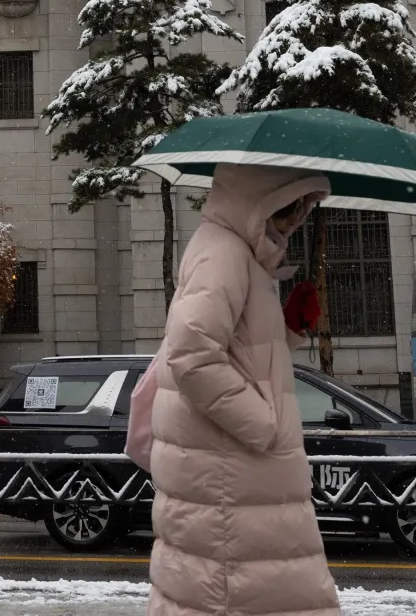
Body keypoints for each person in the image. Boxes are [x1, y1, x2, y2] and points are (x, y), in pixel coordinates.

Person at [146, 164, 339, 616]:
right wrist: (262, 425)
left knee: (256, 588)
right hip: (233, 471)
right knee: (251, 590)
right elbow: (192, 353)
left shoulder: (238, 253)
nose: (296, 220)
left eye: (305, 209)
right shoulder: (225, 254)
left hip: (235, 474)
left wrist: (290, 326)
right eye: (291, 207)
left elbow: (240, 352)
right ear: (260, 200)